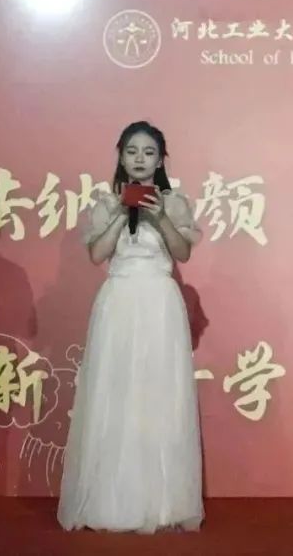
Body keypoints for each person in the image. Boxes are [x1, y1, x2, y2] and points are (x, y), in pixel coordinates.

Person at [57, 121, 204, 533]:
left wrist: (159, 217)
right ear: (121, 156)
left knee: (158, 395)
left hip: (159, 303)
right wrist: (123, 212)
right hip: (119, 302)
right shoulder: (106, 203)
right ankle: (110, 500)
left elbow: (183, 253)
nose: (140, 159)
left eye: (149, 152)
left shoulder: (174, 202)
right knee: (114, 393)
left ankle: (161, 503)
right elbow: (97, 255)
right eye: (132, 151)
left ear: (160, 161)